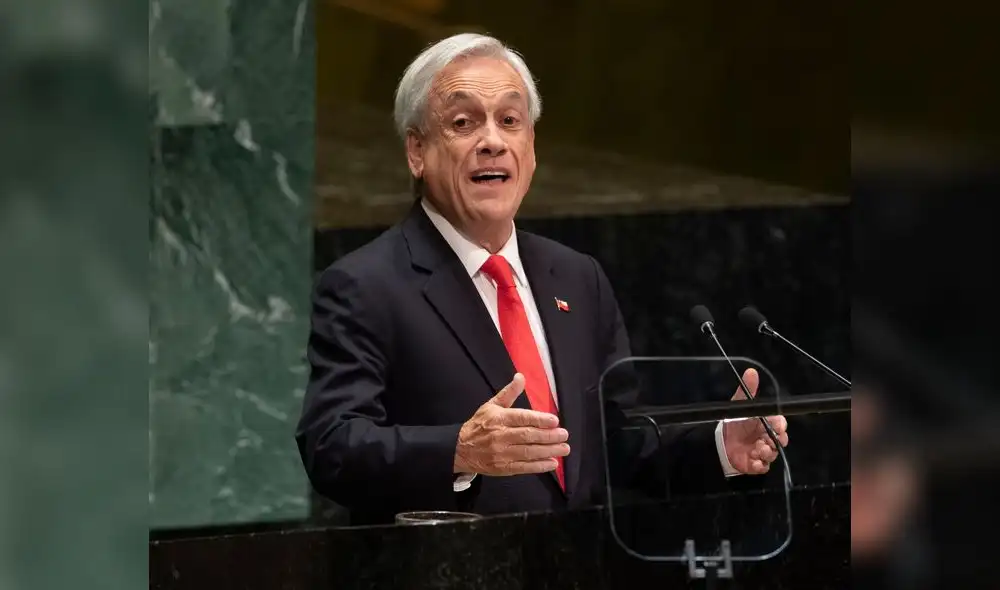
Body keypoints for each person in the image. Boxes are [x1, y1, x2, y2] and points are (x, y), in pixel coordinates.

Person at [296, 33, 789, 525]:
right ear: (417, 152)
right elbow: (332, 446)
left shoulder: (576, 276)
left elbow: (617, 442)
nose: (492, 142)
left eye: (510, 121)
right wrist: (459, 451)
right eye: (463, 123)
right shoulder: (366, 284)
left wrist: (723, 445)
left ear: (531, 148)